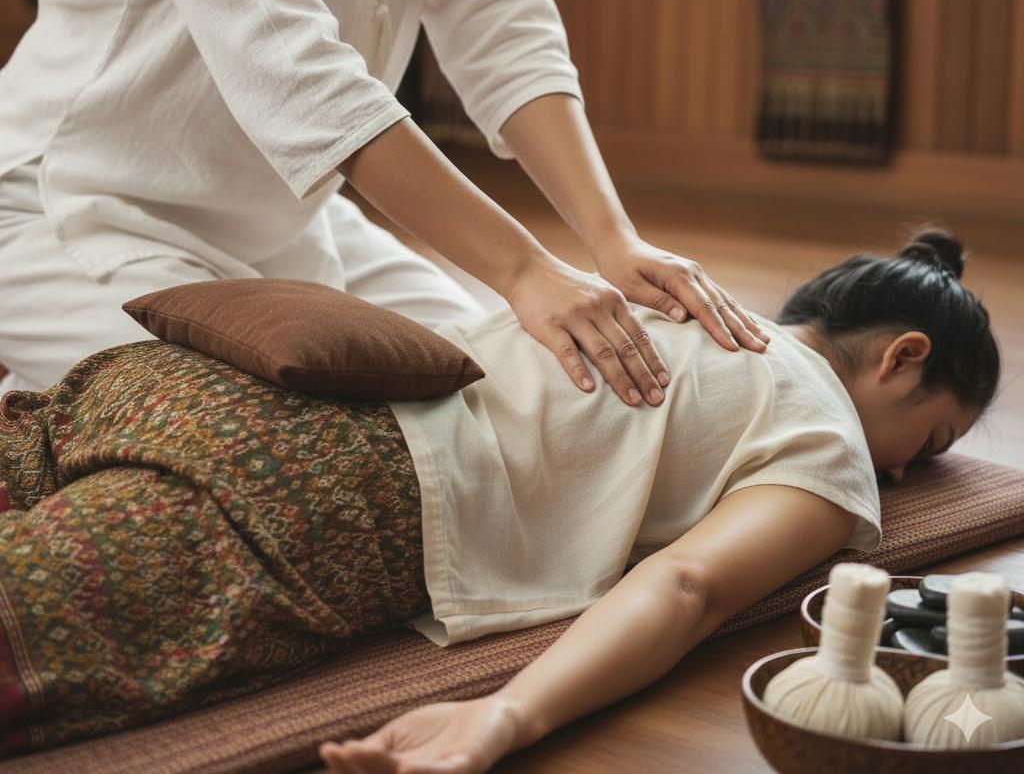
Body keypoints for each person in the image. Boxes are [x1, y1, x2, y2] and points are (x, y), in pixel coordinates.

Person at [0, 229, 999, 764]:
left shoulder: (658, 290)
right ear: (901, 356)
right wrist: (505, 716)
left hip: (176, 380)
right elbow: (690, 583)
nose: (909, 473)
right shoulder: (826, 442)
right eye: (933, 438)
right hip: (316, 493)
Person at [0, 0, 769, 405]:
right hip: (72, 209)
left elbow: (506, 31)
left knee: (507, 388)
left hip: (290, 219)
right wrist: (525, 268)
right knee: (267, 440)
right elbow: (300, 79)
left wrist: (609, 240)